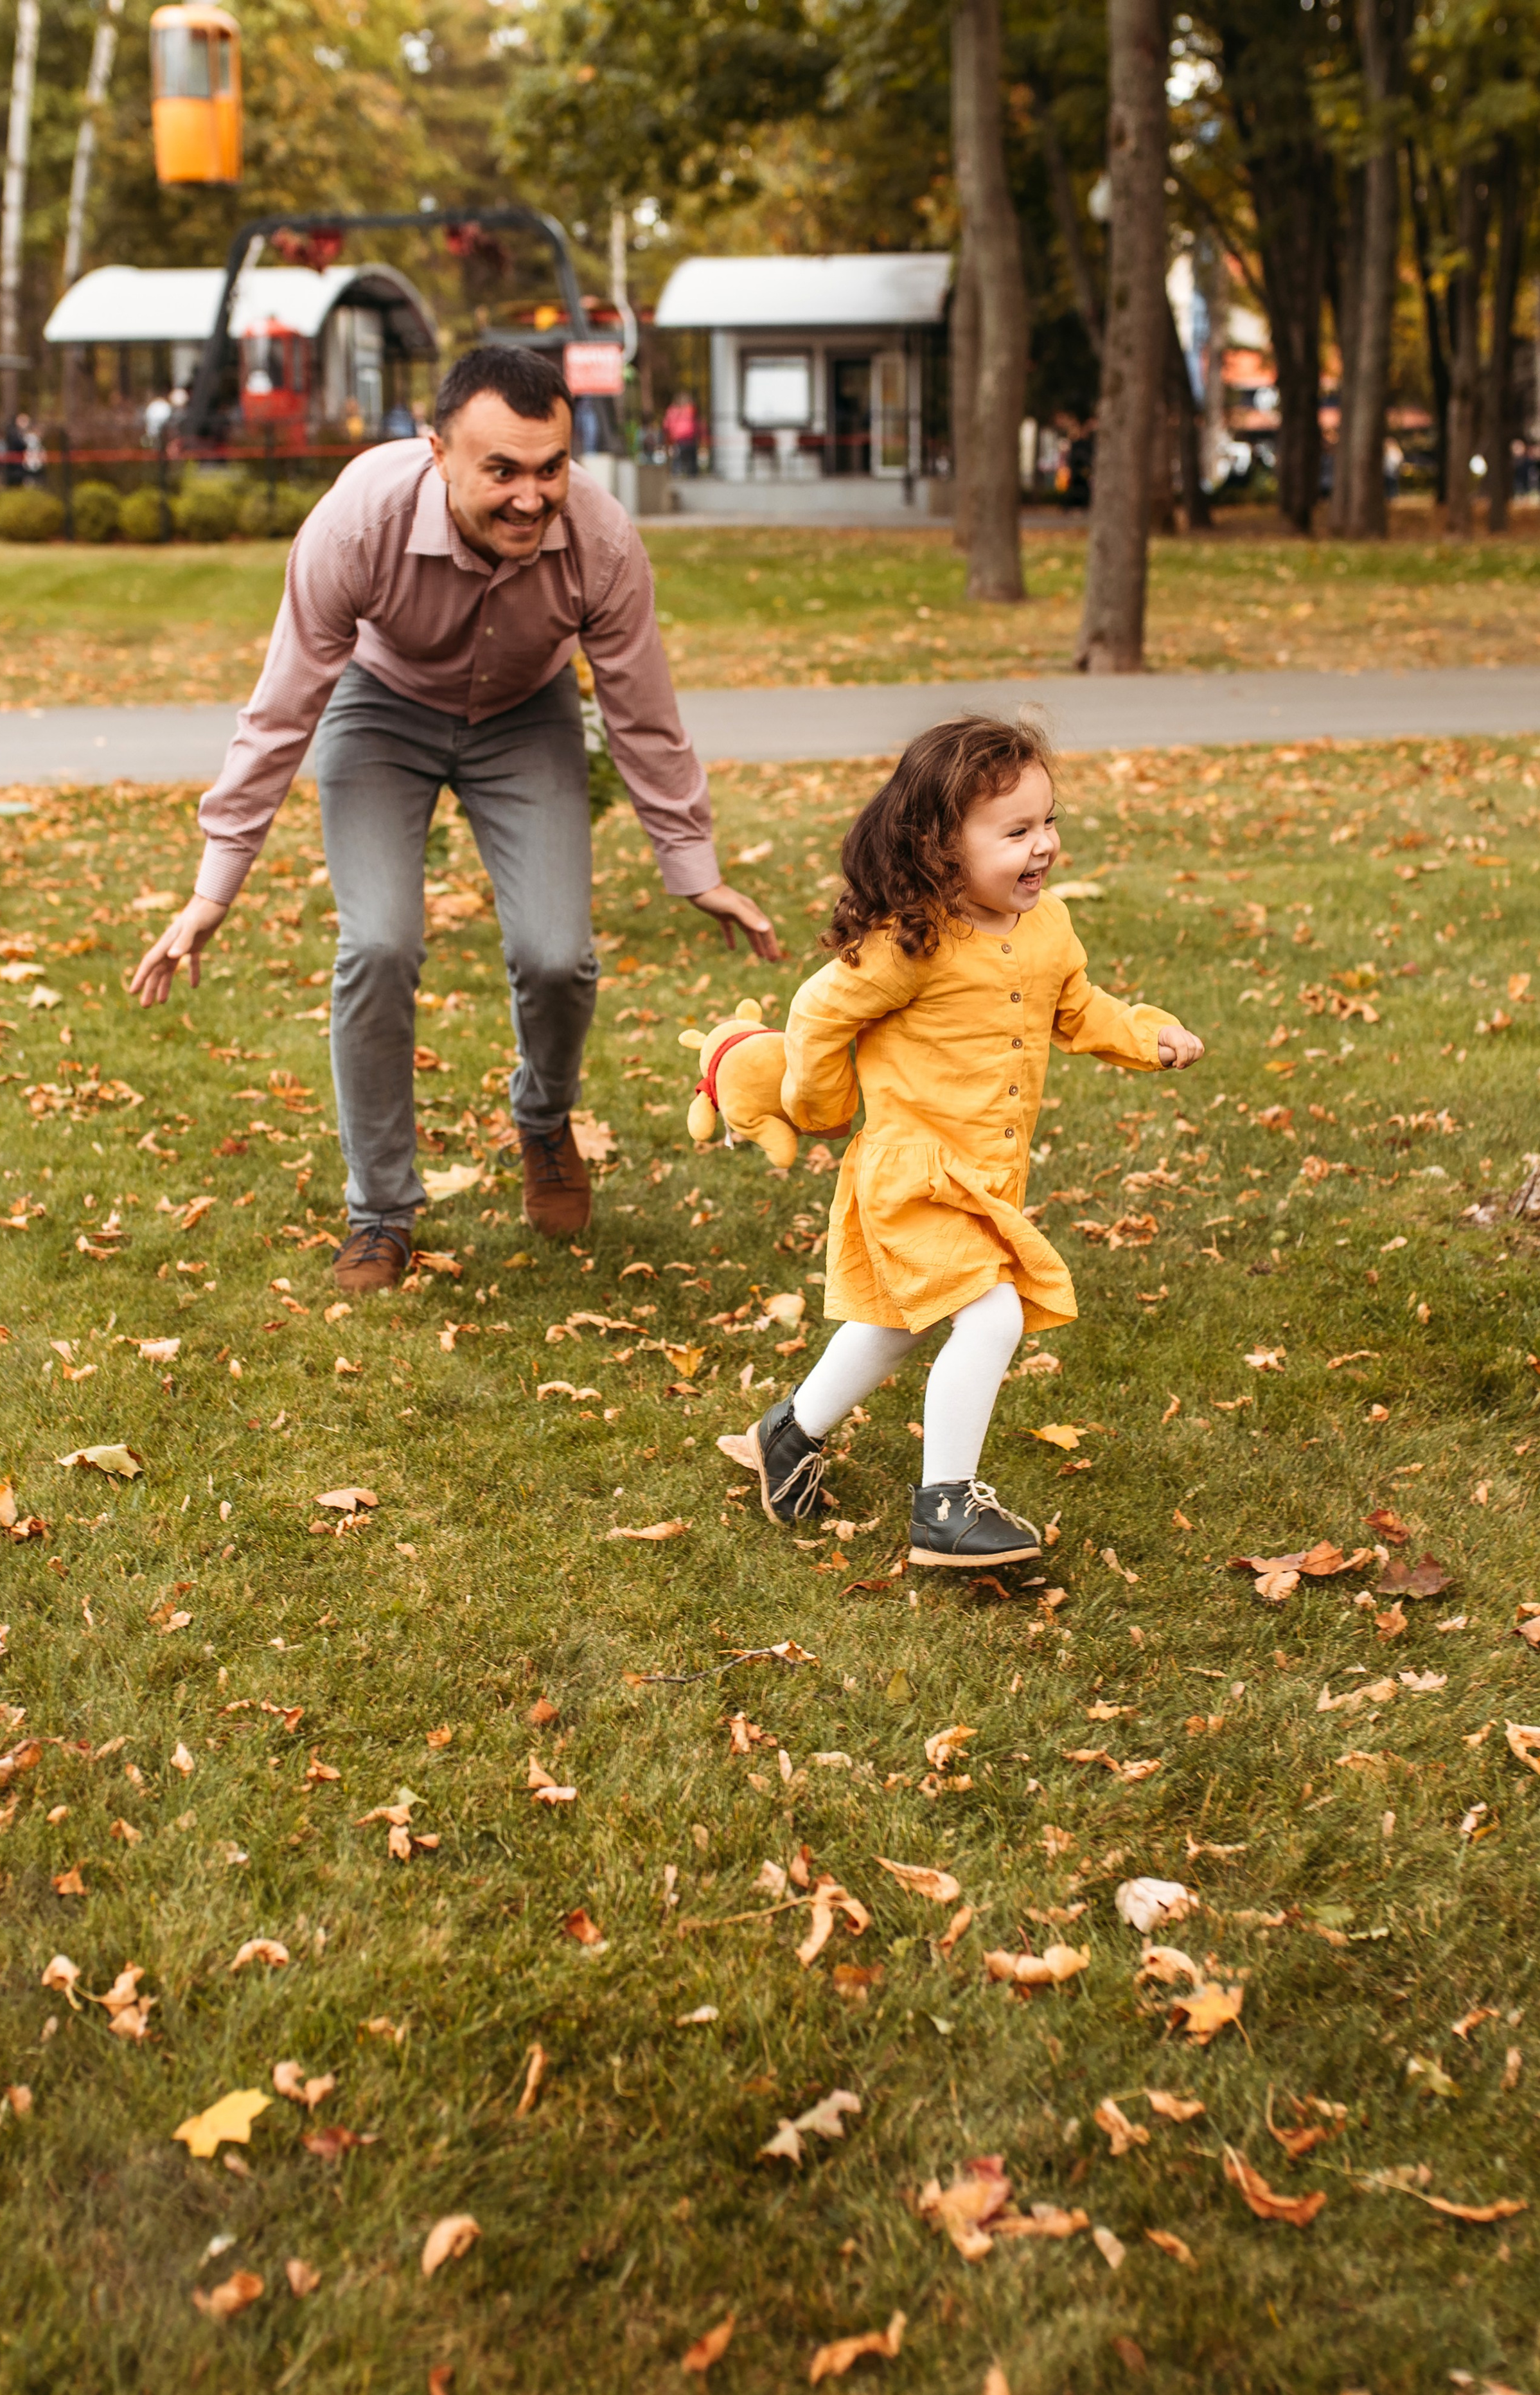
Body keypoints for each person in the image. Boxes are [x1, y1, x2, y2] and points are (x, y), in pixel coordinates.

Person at [128, 343, 778, 1293]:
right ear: (438, 453)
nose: (530, 495)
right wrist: (213, 886)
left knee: (560, 954)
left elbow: (643, 707)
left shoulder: (599, 539)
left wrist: (693, 865)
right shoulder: (357, 525)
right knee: (379, 945)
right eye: (502, 470)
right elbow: (281, 711)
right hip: (381, 710)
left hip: (527, 715)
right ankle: (380, 1210)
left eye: (549, 467)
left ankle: (545, 1120)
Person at [732, 716, 1204, 1572]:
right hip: (913, 1168)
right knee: (993, 1315)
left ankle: (786, 1433)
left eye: (1048, 822)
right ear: (940, 847)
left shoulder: (1049, 926)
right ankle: (945, 1502)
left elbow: (1078, 1006)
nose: (1043, 847)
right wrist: (822, 1104)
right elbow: (815, 1014)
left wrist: (1145, 1034)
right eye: (1015, 832)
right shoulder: (911, 939)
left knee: (891, 1325)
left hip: (984, 1174)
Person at [663, 389, 700, 477]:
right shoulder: (691, 410)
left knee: (678, 458)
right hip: (689, 437)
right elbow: (696, 424)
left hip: (678, 438)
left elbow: (666, 425)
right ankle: (691, 474)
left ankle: (677, 473)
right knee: (690, 458)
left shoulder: (672, 410)